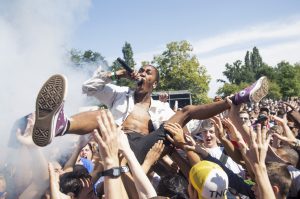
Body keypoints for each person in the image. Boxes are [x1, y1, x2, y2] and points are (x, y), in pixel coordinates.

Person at [32, 65, 269, 164]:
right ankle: (57, 126)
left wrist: (221, 112)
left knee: (185, 111)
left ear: (154, 84)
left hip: (141, 148)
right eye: (141, 71)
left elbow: (193, 122)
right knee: (102, 115)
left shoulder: (162, 109)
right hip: (113, 142)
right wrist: (117, 74)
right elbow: (87, 87)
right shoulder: (119, 94)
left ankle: (239, 97)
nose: (142, 74)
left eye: (148, 73)